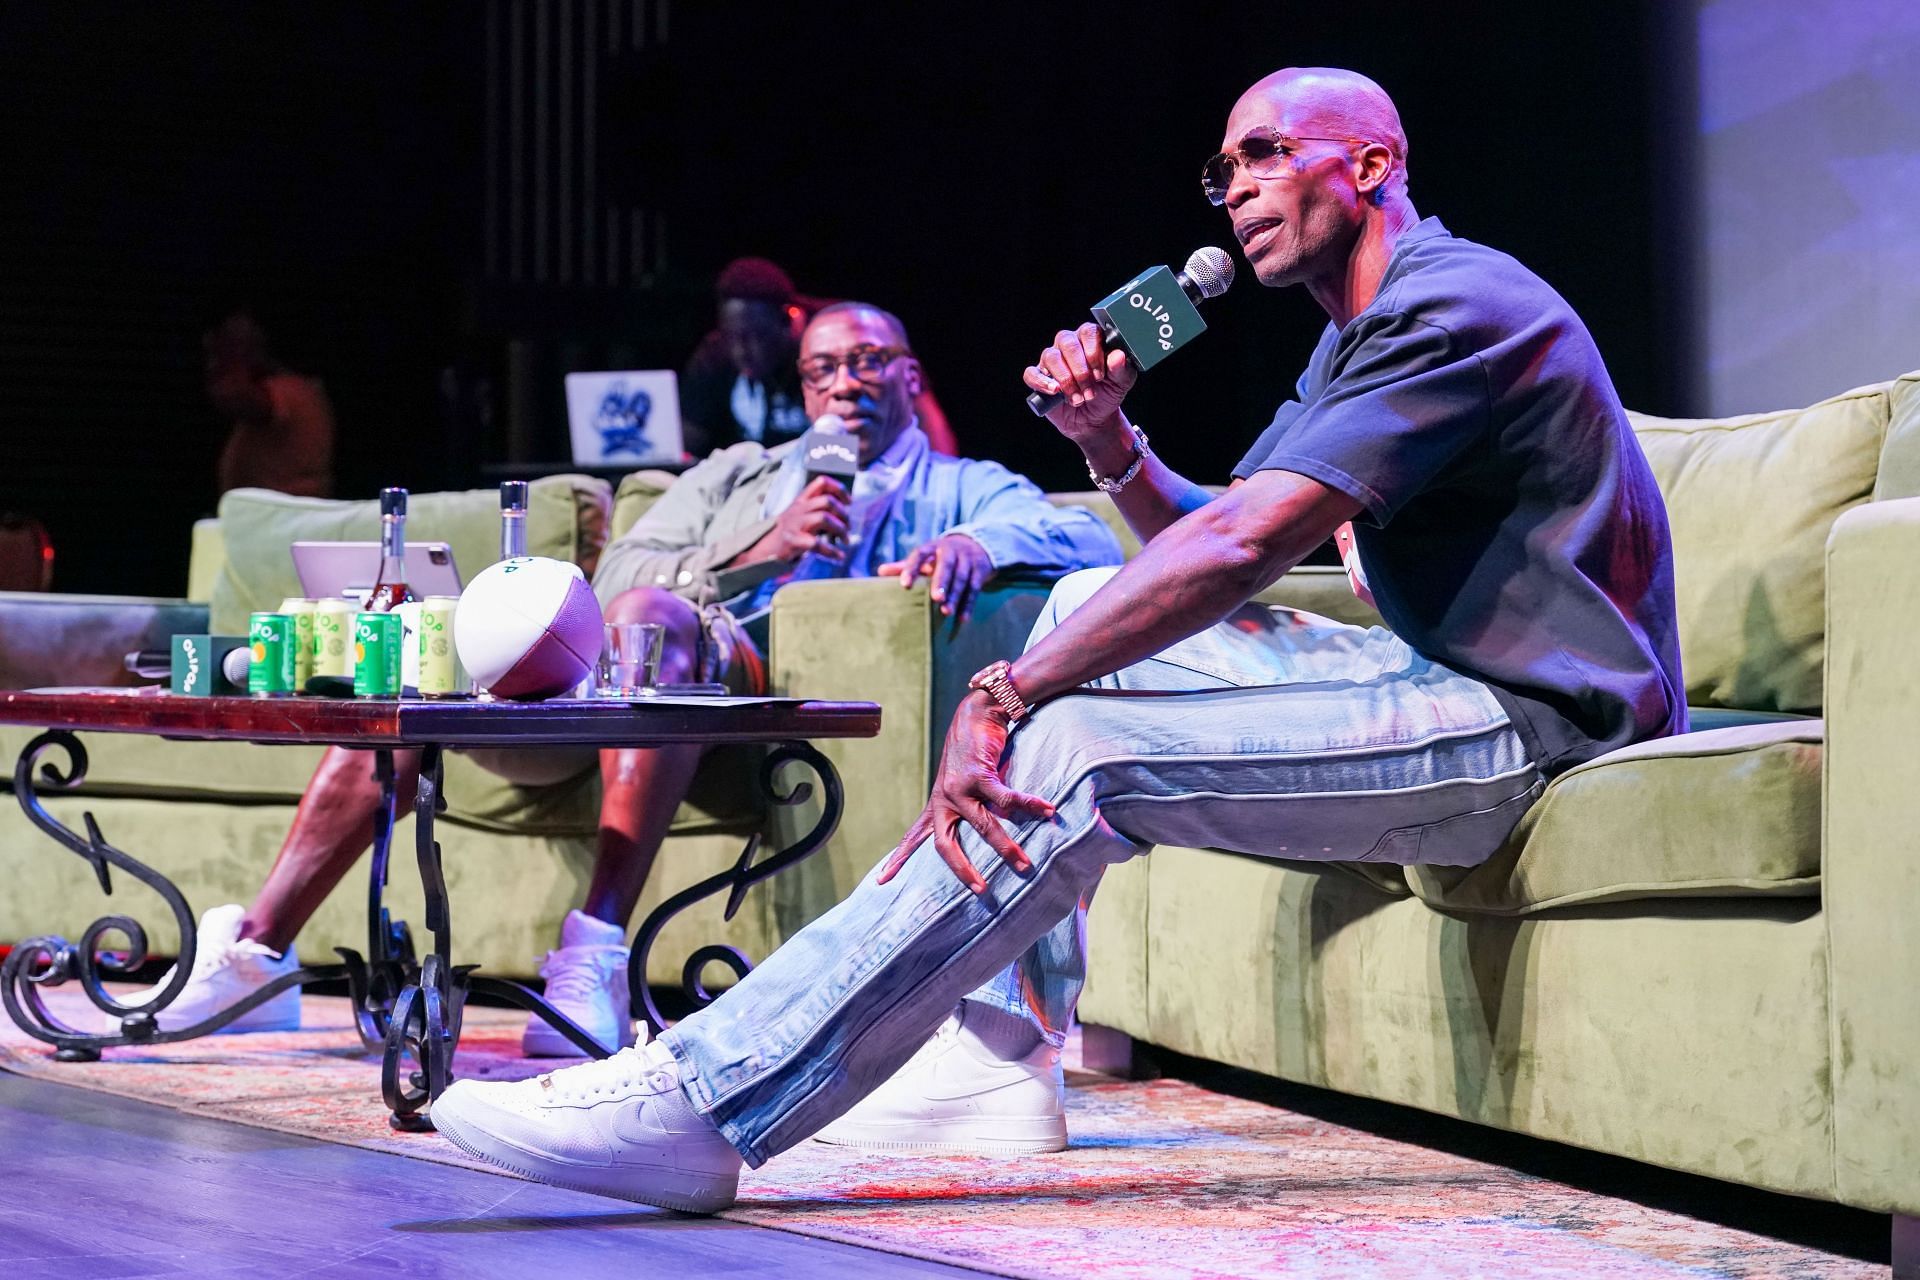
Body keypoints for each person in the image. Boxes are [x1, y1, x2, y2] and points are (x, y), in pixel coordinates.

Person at [426, 66, 1686, 1215]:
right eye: (1221, 171)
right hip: (1431, 676)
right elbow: (1213, 528)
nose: (1235, 188)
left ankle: (707, 1098)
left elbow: (1245, 544)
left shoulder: (1455, 303)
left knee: (1072, 739)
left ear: (1369, 164)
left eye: (1262, 153)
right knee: (1086, 603)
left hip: (1526, 725)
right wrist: (1108, 443)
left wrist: (1007, 687)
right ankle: (997, 1054)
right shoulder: (1356, 331)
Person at [127, 301, 1122, 1058]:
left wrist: (979, 542)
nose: (845, 385)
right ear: (803, 389)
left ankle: (593, 953)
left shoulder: (958, 484)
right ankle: (259, 953)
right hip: (608, 690)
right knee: (417, 686)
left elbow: (1080, 528)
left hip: (738, 694)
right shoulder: (740, 473)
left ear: (910, 377)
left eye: (867, 364)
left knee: (654, 623)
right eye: (823, 369)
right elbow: (618, 576)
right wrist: (758, 549)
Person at [681, 257, 960, 456]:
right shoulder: (716, 353)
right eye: (733, 336)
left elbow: (927, 419)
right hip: (767, 481)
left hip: (853, 472)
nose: (742, 349)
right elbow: (686, 442)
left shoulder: (846, 335)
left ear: (789, 321)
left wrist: (939, 490)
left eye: (758, 336)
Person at [206, 307, 336, 499]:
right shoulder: (299, 388)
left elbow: (236, 397)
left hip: (285, 517)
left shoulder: (292, 389)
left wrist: (232, 356)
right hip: (277, 516)